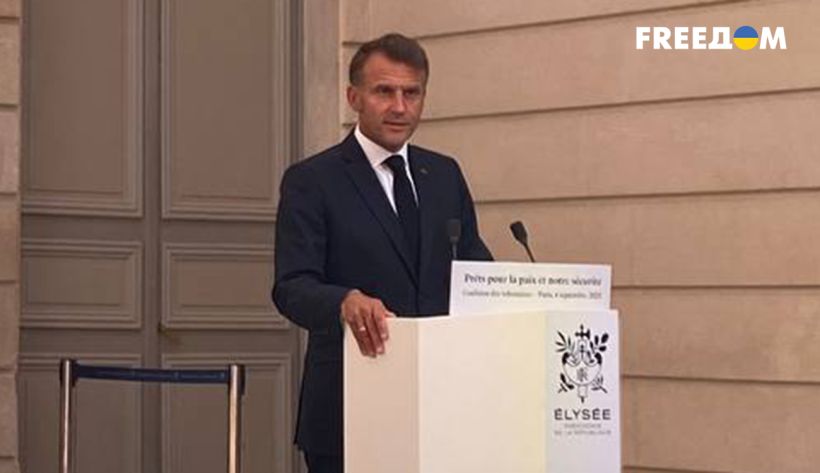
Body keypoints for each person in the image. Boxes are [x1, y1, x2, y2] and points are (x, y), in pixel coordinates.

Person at [272, 32, 492, 473]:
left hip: (443, 407)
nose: (399, 107)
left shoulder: (444, 174)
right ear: (354, 97)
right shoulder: (313, 180)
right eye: (384, 92)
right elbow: (292, 286)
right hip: (349, 407)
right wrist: (344, 301)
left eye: (412, 93)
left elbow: (476, 270)